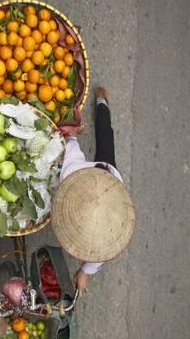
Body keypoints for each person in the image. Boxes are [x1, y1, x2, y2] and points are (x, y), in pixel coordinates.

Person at [51, 87, 135, 292]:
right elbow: (71, 147)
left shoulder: (113, 227)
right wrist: (70, 134)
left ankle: (102, 103)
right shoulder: (72, 174)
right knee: (105, 136)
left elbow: (101, 251)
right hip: (101, 172)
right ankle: (101, 102)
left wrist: (85, 271)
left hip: (109, 176)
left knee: (106, 139)